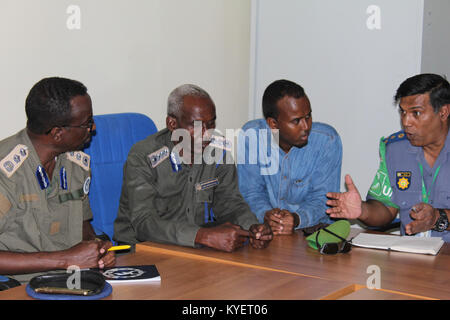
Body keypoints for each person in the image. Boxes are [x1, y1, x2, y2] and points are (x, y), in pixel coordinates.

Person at [113, 84, 272, 252]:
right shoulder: (143, 157)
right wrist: (202, 236)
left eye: (210, 124)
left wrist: (253, 227)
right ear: (172, 124)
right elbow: (143, 222)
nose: (206, 134)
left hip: (195, 248)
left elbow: (230, 203)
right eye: (196, 126)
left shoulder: (218, 152)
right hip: (144, 251)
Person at [0, 77, 115, 283]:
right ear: (57, 133)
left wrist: (97, 248)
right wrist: (64, 260)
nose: (94, 128)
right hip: (17, 285)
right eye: (87, 123)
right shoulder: (6, 174)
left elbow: (82, 224)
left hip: (71, 281)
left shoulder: (75, 163)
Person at [326, 73, 450, 242]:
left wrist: (437, 218)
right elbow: (385, 209)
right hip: (410, 257)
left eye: (416, 113)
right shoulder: (395, 150)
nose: (406, 122)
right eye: (403, 112)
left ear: (443, 112)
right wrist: (362, 210)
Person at [237, 79, 342, 235]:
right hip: (266, 232)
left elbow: (324, 199)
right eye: (296, 121)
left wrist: (297, 219)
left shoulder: (327, 140)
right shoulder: (251, 136)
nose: (306, 127)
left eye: (308, 116)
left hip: (313, 233)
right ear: (273, 124)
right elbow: (250, 193)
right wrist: (266, 215)